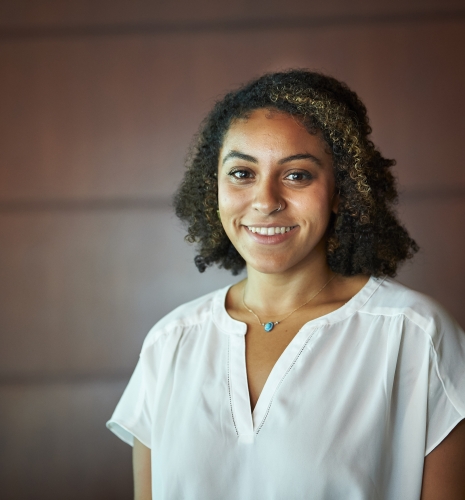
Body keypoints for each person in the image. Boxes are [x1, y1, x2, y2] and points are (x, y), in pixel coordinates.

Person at [107, 70, 465, 499]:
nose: (266, 200)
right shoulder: (170, 342)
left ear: (339, 191)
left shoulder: (415, 334)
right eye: (242, 173)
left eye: (297, 175)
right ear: (213, 188)